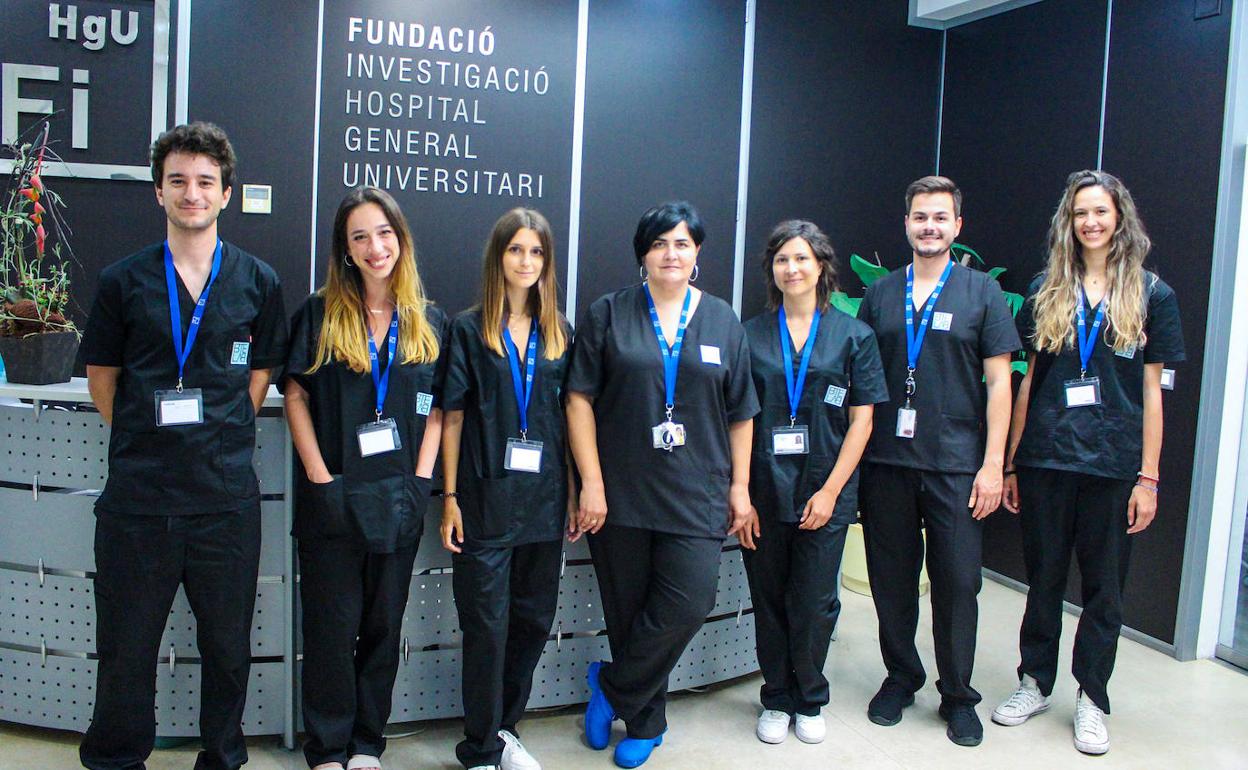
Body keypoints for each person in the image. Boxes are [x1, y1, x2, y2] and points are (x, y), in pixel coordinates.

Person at [78, 122, 288, 770]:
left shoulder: (258, 282)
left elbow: (261, 377)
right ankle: (116, 758)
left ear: (226, 193)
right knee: (126, 646)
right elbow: (103, 381)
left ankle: (222, 757)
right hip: (139, 501)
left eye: (204, 182)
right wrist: (149, 441)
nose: (191, 193)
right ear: (159, 193)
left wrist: (215, 434)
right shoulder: (123, 280)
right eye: (178, 182)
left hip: (224, 500)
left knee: (227, 647)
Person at [991, 170, 1184, 755]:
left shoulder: (1152, 294)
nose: (1091, 222)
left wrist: (1148, 477)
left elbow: (1153, 392)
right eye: (1080, 213)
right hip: (1048, 460)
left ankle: (1092, 697)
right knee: (1043, 580)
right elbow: (1029, 384)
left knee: (1104, 590)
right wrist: (1011, 463)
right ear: (1067, 223)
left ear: (1119, 217)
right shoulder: (1046, 287)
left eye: (1101, 212)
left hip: (1113, 466)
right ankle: (1034, 682)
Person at [565, 201, 759, 768]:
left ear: (697, 252)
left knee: (689, 601)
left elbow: (741, 413)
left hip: (697, 490)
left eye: (682, 243)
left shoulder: (723, 319)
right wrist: (591, 483)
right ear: (642, 254)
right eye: (659, 243)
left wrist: (740, 488)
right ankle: (647, 722)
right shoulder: (608, 313)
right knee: (627, 613)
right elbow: (578, 399)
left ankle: (611, 686)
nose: (670, 253)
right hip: (619, 491)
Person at [281, 186, 445, 770]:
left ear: (400, 239)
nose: (375, 247)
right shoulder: (320, 313)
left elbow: (443, 410)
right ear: (345, 249)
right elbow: (295, 394)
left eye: (384, 233)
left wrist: (424, 477)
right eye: (360, 237)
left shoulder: (428, 322)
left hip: (400, 497)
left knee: (382, 625)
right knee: (331, 630)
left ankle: (365, 745)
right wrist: (322, 477)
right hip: (335, 499)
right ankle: (327, 748)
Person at [857, 176, 1020, 747]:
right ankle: (901, 675)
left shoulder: (981, 293)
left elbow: (1000, 382)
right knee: (892, 580)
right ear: (906, 224)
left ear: (957, 226)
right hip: (886, 463)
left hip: (956, 465)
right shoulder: (881, 293)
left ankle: (958, 694)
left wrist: (993, 463)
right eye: (919, 216)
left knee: (957, 582)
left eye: (940, 217)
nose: (929, 226)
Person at [742, 221, 888, 745]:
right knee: (771, 598)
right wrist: (742, 494)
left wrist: (830, 492)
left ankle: (810, 696)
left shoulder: (854, 336)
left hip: (827, 490)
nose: (792, 268)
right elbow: (737, 417)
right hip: (763, 491)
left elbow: (863, 420)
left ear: (822, 266)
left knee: (814, 601)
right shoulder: (751, 334)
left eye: (802, 258)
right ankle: (777, 697)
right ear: (772, 270)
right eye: (782, 260)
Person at [439, 208, 573, 770]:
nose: (526, 261)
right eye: (516, 250)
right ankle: (479, 749)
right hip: (484, 502)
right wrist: (448, 497)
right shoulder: (469, 330)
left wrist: (575, 490)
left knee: (532, 621)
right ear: (498, 258)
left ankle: (504, 729)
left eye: (536, 252)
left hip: (544, 501)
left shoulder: (560, 334)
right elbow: (451, 417)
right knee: (487, 628)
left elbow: (572, 417)